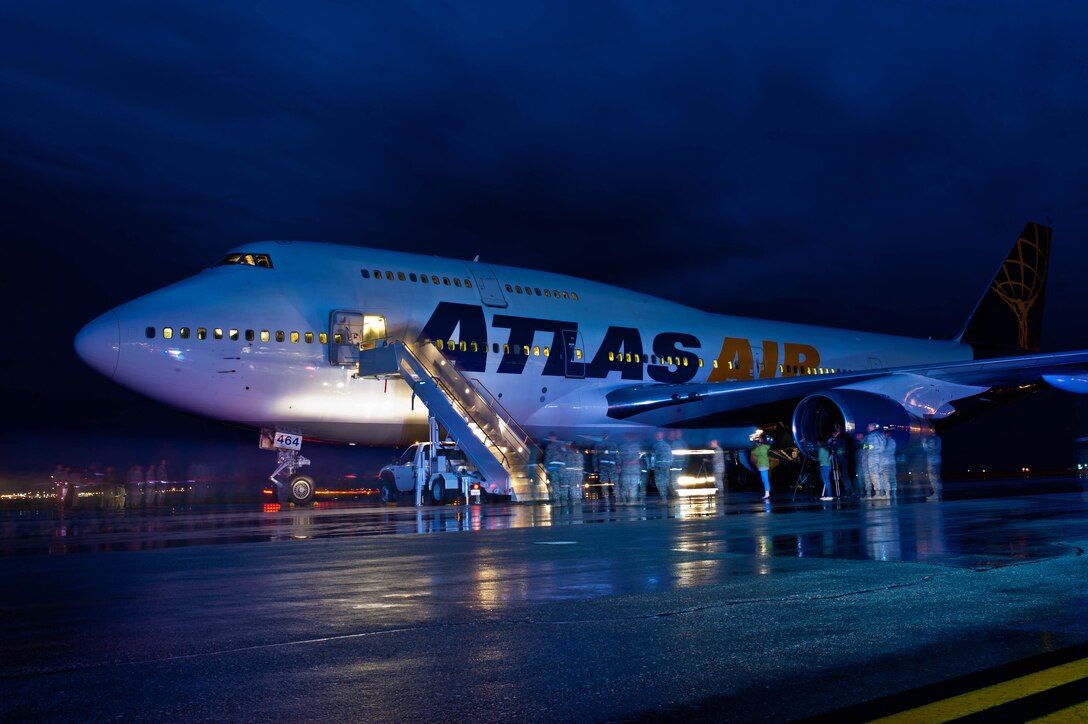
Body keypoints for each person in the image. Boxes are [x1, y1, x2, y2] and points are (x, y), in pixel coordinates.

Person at [617, 434, 642, 505]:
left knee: (631, 485)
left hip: (631, 468)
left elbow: (639, 456)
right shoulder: (623, 446)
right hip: (630, 468)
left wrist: (622, 464)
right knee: (628, 485)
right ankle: (628, 501)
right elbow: (619, 457)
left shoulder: (635, 445)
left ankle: (629, 501)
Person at [864, 423, 886, 497]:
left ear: (871, 427)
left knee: (874, 474)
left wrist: (865, 447)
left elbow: (869, 446)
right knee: (880, 475)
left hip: (873, 457)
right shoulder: (881, 435)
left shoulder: (870, 436)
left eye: (868, 426)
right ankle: (882, 492)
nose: (867, 428)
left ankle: (878, 493)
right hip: (881, 457)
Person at [594, 433, 618, 500]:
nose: (605, 437)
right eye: (604, 435)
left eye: (606, 435)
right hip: (603, 466)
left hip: (612, 465)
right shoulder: (598, 445)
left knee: (615, 483)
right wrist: (595, 467)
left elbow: (617, 455)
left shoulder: (613, 444)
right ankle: (606, 499)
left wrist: (618, 466)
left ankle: (617, 499)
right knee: (604, 483)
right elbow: (595, 457)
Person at [543, 433, 565, 503]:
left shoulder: (549, 446)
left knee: (555, 483)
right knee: (562, 484)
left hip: (553, 467)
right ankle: (563, 501)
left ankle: (557, 501)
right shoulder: (561, 445)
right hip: (561, 467)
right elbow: (565, 455)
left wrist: (546, 468)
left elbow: (547, 457)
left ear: (550, 437)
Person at [651, 431, 673, 501]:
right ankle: (665, 498)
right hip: (661, 468)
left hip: (661, 468)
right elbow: (670, 457)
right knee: (661, 483)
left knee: (661, 483)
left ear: (662, 436)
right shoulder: (665, 445)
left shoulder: (656, 445)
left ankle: (664, 499)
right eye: (656, 435)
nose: (657, 436)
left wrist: (653, 466)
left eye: (659, 435)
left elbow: (653, 457)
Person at [924, 433, 943, 500]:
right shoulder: (938, 443)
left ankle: (936, 494)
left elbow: (927, 448)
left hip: (932, 463)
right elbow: (939, 442)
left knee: (933, 479)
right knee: (937, 478)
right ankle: (938, 494)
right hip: (937, 462)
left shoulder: (931, 445)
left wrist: (924, 442)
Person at [882, 428, 898, 500]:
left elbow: (879, 448)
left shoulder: (885, 441)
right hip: (892, 462)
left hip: (885, 462)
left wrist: (865, 446)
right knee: (892, 478)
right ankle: (894, 493)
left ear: (885, 434)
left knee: (886, 478)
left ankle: (887, 494)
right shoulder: (893, 441)